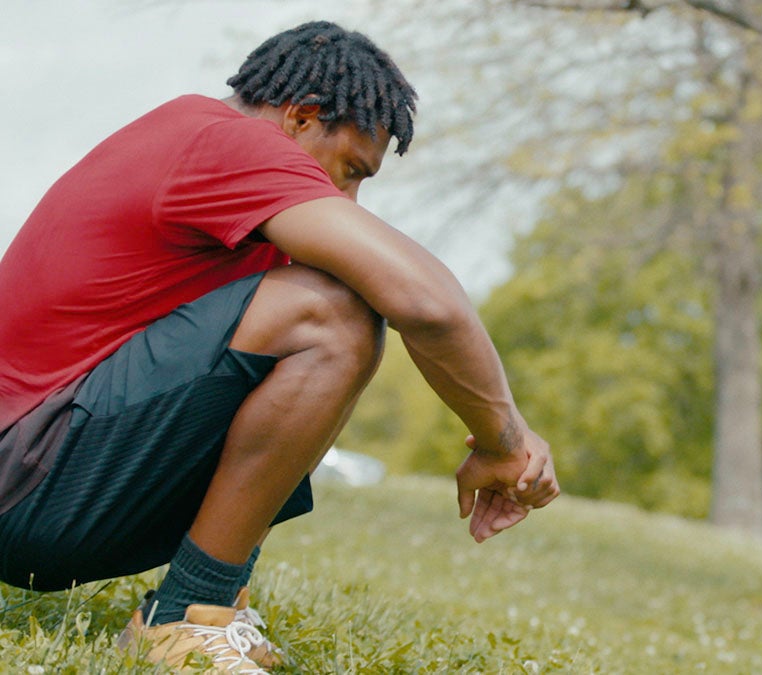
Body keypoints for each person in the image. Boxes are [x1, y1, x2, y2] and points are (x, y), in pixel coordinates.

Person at [0, 20, 559, 672]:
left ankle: (215, 609)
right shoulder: (222, 141)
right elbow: (427, 300)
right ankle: (186, 617)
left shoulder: (212, 169)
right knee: (334, 312)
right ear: (299, 117)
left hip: (42, 478)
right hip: (26, 474)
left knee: (320, 304)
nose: (346, 199)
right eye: (350, 169)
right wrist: (504, 440)